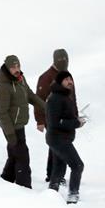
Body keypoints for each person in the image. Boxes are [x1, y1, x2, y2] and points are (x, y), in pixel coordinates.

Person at [0, 54, 46, 189]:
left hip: (20, 125)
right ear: (7, 68)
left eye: (18, 66)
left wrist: (46, 107)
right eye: (13, 67)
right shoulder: (3, 87)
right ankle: (25, 188)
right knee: (23, 158)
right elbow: (2, 113)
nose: (17, 69)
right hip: (11, 128)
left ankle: (6, 181)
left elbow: (30, 95)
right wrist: (10, 133)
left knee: (14, 155)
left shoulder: (20, 80)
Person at [35, 49, 77, 185]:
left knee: (63, 144)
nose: (64, 63)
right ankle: (53, 175)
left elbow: (73, 97)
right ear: (54, 61)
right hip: (52, 117)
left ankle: (58, 175)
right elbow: (38, 100)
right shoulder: (46, 77)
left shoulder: (67, 77)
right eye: (60, 61)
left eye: (66, 60)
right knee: (58, 144)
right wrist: (40, 120)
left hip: (68, 118)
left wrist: (75, 115)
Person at [45, 71, 86, 204]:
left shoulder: (64, 96)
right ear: (60, 82)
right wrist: (76, 123)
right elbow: (55, 122)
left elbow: (64, 117)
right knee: (77, 165)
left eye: (71, 79)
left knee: (59, 167)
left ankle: (51, 193)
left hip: (61, 138)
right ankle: (73, 195)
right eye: (66, 79)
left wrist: (76, 119)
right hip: (58, 139)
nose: (70, 82)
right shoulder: (55, 98)